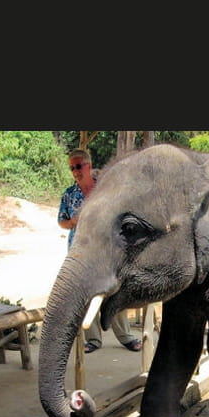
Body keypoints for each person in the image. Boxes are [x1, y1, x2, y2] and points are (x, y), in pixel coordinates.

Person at [58, 148, 142, 354]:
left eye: (79, 166)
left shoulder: (106, 187)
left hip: (109, 250)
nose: (76, 171)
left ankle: (126, 336)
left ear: (88, 165)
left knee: (114, 290)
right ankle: (93, 339)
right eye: (72, 168)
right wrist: (73, 222)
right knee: (86, 295)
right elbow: (62, 221)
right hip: (81, 252)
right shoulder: (69, 195)